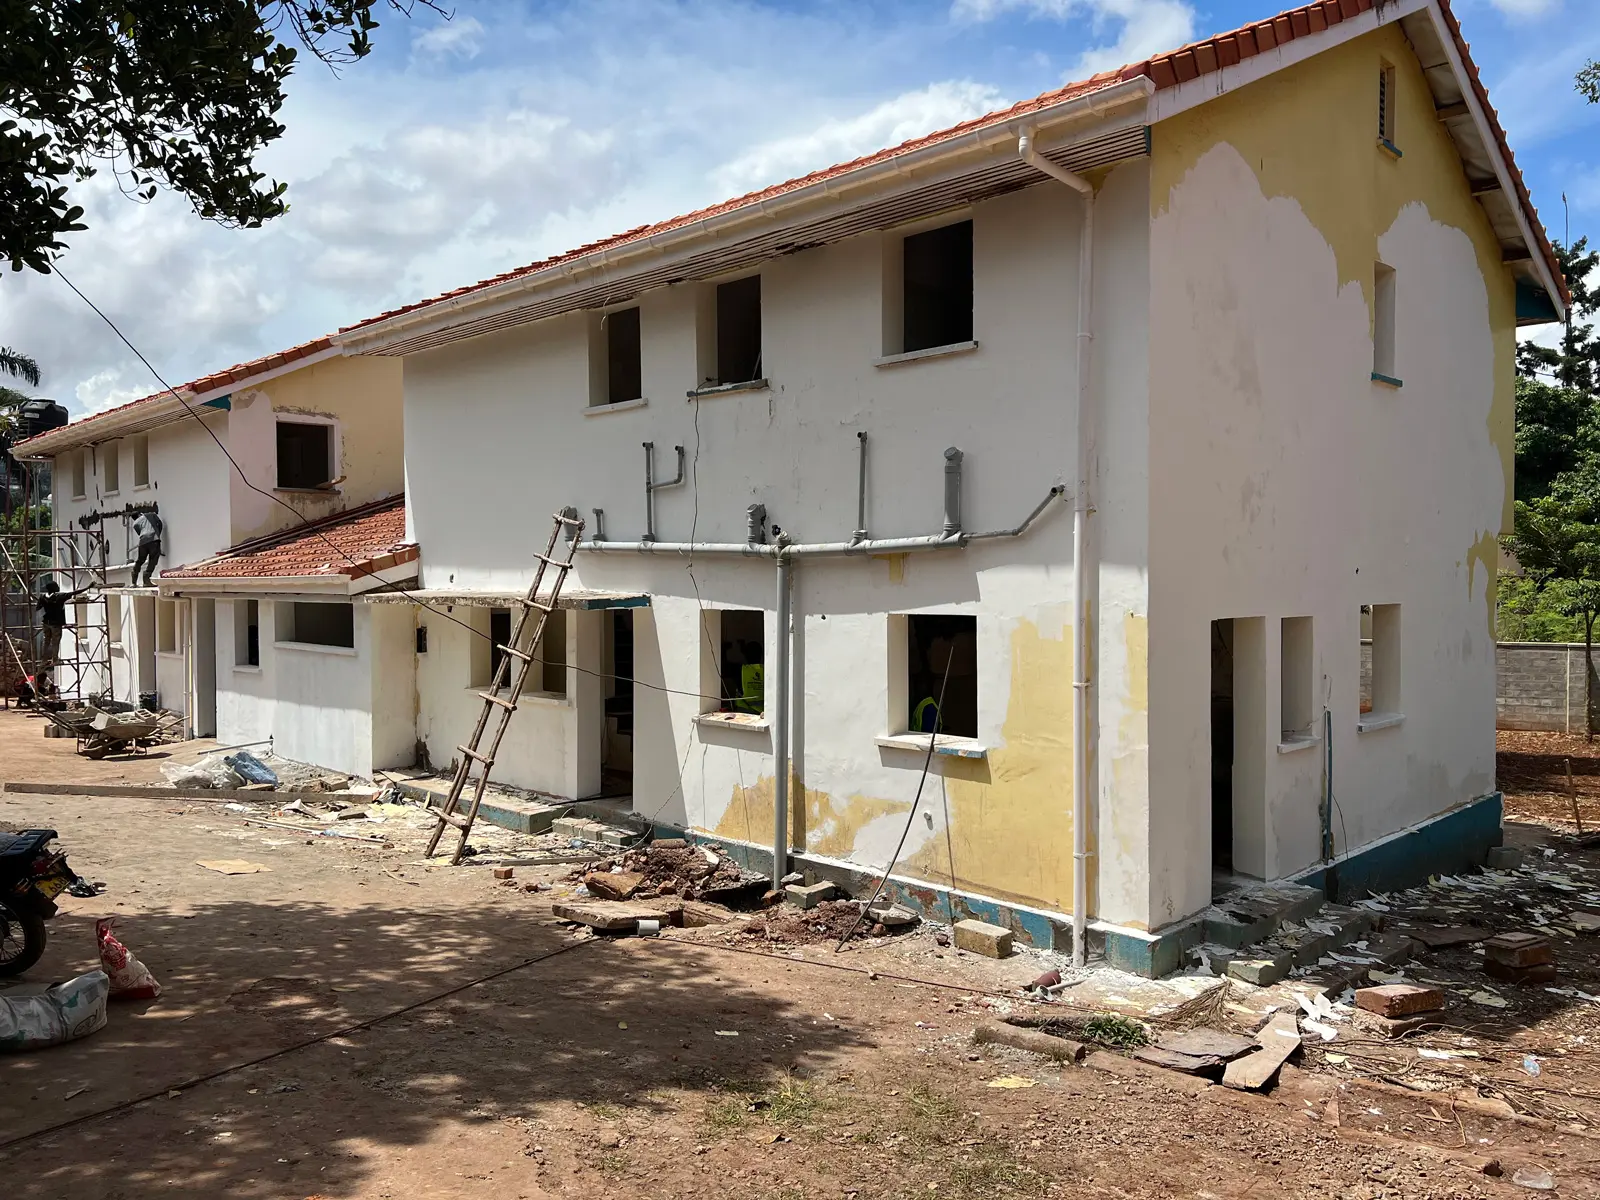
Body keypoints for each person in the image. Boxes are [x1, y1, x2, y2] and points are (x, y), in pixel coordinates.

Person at [35, 577, 91, 682]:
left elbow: (37, 608)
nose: (58, 587)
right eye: (56, 586)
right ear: (54, 588)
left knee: (46, 641)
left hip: (45, 622)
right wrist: (88, 587)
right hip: (56, 623)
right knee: (55, 641)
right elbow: (74, 592)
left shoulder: (42, 596)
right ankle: (54, 659)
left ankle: (43, 660)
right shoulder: (59, 596)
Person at [131, 509, 164, 587]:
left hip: (142, 542)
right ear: (140, 514)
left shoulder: (135, 524)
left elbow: (139, 533)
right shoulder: (151, 515)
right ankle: (146, 581)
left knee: (140, 560)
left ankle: (134, 582)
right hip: (153, 540)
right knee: (153, 560)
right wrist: (158, 534)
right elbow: (159, 523)